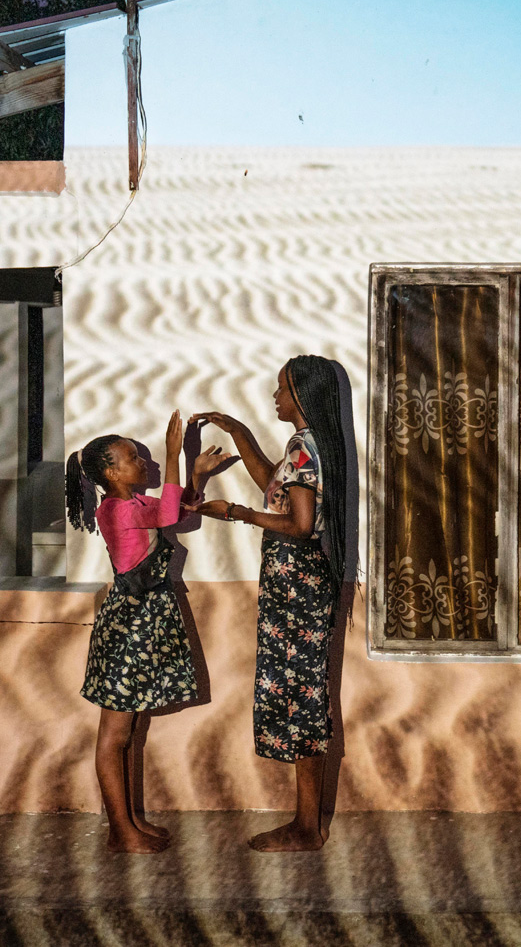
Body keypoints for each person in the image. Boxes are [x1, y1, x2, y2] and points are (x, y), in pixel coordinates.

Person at [189, 354, 351, 852]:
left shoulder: (306, 447)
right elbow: (276, 491)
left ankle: (306, 826)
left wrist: (236, 513)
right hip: (296, 586)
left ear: (301, 393)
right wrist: (238, 430)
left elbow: (299, 526)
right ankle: (307, 821)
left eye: (281, 389)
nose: (274, 397)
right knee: (302, 696)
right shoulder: (306, 445)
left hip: (298, 585)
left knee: (302, 700)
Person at [67, 411, 235, 853]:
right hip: (128, 628)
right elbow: (166, 513)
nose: (145, 463)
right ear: (110, 472)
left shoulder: (131, 506)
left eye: (143, 456)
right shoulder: (118, 509)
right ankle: (120, 831)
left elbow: (176, 513)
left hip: (142, 622)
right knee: (115, 735)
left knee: (129, 728)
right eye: (133, 458)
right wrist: (175, 453)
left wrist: (193, 477)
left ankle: (131, 821)